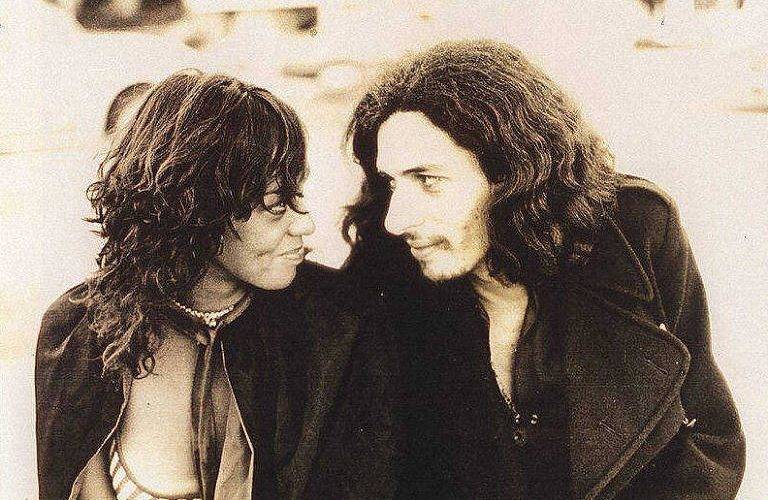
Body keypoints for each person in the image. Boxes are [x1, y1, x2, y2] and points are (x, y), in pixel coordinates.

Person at [343, 40, 745, 499]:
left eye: (428, 180)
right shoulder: (384, 275)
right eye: (391, 183)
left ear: (511, 174)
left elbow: (709, 431)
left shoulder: (635, 231)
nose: (396, 220)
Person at [36, 70, 394, 500]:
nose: (306, 224)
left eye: (298, 195)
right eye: (276, 203)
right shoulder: (76, 330)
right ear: (196, 208)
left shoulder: (337, 329)